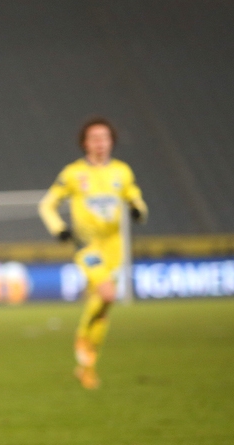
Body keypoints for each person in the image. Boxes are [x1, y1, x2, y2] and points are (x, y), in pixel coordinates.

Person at [38, 117, 148, 389]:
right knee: (107, 292)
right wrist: (59, 229)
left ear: (111, 142)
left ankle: (86, 367)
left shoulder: (122, 172)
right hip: (86, 244)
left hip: (115, 246)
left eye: (105, 137)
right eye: (94, 138)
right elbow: (47, 205)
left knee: (103, 304)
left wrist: (138, 210)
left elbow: (136, 199)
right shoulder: (73, 174)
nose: (100, 143)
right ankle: (81, 340)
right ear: (85, 143)